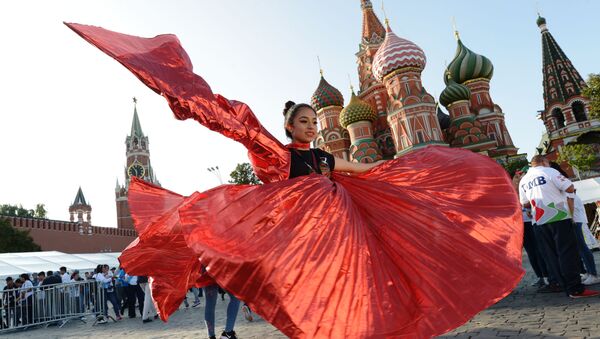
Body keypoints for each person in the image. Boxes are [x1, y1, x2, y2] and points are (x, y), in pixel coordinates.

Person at [67, 23, 526, 338]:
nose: (310, 125)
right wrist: (181, 91)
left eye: (312, 121)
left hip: (338, 233)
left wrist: (412, 170)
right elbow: (233, 121)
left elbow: (362, 170)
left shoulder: (325, 157)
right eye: (304, 121)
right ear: (291, 127)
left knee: (365, 278)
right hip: (300, 239)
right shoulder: (275, 154)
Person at [519, 155, 599, 298]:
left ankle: (563, 286)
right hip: (559, 216)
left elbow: (524, 204)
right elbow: (569, 187)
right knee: (567, 253)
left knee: (551, 256)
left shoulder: (524, 180)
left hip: (539, 221)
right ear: (544, 162)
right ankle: (575, 288)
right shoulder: (549, 171)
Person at [572, 191, 600, 285]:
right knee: (581, 249)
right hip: (576, 221)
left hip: (577, 221)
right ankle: (589, 272)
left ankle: (593, 274)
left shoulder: (569, 193)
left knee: (583, 248)